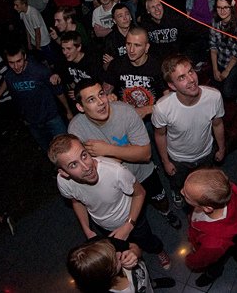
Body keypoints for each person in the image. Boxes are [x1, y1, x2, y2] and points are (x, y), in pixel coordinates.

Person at [68, 79, 181, 229]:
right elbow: (87, 167)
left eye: (101, 94)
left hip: (142, 172)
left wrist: (107, 150)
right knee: (130, 215)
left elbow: (145, 154)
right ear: (80, 107)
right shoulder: (76, 130)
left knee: (160, 200)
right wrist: (129, 150)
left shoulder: (125, 112)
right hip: (113, 182)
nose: (101, 102)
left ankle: (166, 213)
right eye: (91, 100)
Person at [48, 134, 172, 270]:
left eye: (84, 155)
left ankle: (159, 250)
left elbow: (140, 193)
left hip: (133, 218)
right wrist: (87, 230)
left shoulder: (115, 171)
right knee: (124, 253)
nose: (86, 167)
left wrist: (129, 225)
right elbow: (76, 201)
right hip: (104, 226)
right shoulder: (63, 182)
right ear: (63, 172)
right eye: (73, 164)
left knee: (147, 240)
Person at [152, 55, 226, 209]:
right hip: (178, 159)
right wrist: (166, 162)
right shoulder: (162, 108)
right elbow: (160, 135)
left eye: (191, 71)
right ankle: (177, 192)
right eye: (182, 77)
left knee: (203, 186)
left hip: (206, 153)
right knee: (178, 183)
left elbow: (218, 124)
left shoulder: (214, 96)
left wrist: (221, 148)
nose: (191, 79)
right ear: (172, 86)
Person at [182, 168, 237, 287]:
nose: (181, 192)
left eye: (187, 196)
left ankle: (211, 275)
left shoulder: (213, 244)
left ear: (208, 208)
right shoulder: (221, 192)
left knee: (215, 266)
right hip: (201, 234)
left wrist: (190, 260)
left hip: (211, 253)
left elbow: (201, 260)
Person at [4, 46, 73, 150]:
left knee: (66, 147)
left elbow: (58, 91)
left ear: (25, 57)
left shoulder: (39, 70)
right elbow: (16, 98)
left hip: (51, 118)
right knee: (48, 149)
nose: (16, 66)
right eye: (11, 63)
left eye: (19, 61)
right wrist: (23, 117)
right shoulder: (9, 77)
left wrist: (68, 111)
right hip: (33, 122)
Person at [103, 27, 166, 121]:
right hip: (124, 117)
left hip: (151, 119)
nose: (131, 50)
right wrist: (109, 98)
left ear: (146, 47)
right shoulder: (117, 64)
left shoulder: (158, 66)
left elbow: (170, 100)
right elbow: (105, 93)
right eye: (128, 44)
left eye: (137, 45)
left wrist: (148, 109)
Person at [67, 239, 176, 293]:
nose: (119, 253)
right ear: (108, 273)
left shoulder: (100, 246)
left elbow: (134, 246)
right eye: (115, 259)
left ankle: (153, 284)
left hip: (143, 277)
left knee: (147, 282)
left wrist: (135, 252)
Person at [209, 0, 237, 102]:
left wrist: (226, 71)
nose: (222, 11)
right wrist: (215, 69)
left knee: (228, 92)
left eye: (226, 7)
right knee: (215, 90)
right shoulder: (215, 22)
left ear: (231, 7)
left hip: (235, 63)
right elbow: (213, 47)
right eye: (219, 7)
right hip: (221, 59)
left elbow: (236, 54)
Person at [13, 0, 55, 64]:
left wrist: (37, 47)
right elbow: (27, 28)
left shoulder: (33, 14)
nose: (14, 7)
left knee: (51, 62)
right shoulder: (22, 13)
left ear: (23, 4)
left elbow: (37, 32)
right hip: (35, 42)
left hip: (43, 42)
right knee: (42, 63)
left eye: (17, 5)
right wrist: (29, 43)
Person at [102, 4, 132, 69]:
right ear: (114, 21)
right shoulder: (110, 39)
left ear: (130, 16)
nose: (125, 18)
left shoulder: (139, 34)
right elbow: (105, 66)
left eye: (127, 14)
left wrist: (115, 61)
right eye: (120, 16)